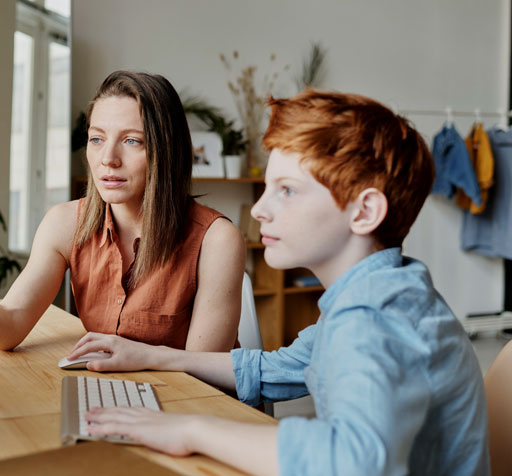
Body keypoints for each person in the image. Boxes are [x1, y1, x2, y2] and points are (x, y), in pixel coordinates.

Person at [69, 90, 490, 476]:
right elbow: (275, 367)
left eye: (286, 191)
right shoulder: (382, 291)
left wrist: (191, 430)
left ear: (364, 213)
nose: (260, 211)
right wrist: (152, 355)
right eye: (267, 188)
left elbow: (351, 460)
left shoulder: (374, 316)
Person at [0, 70, 245, 352]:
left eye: (132, 141)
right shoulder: (66, 223)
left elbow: (202, 376)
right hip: (114, 401)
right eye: (97, 138)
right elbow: (10, 322)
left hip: (190, 415)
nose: (107, 159)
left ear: (167, 151)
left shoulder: (216, 240)